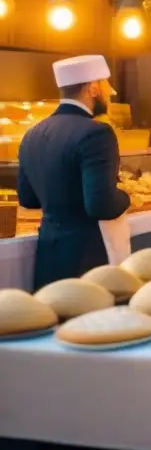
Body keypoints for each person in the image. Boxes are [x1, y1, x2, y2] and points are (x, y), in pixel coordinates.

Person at [17, 55, 131, 289]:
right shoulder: (97, 133)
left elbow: (28, 199)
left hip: (49, 253)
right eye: (107, 85)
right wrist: (127, 195)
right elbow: (102, 205)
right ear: (93, 88)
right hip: (88, 255)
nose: (112, 93)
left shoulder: (32, 134)